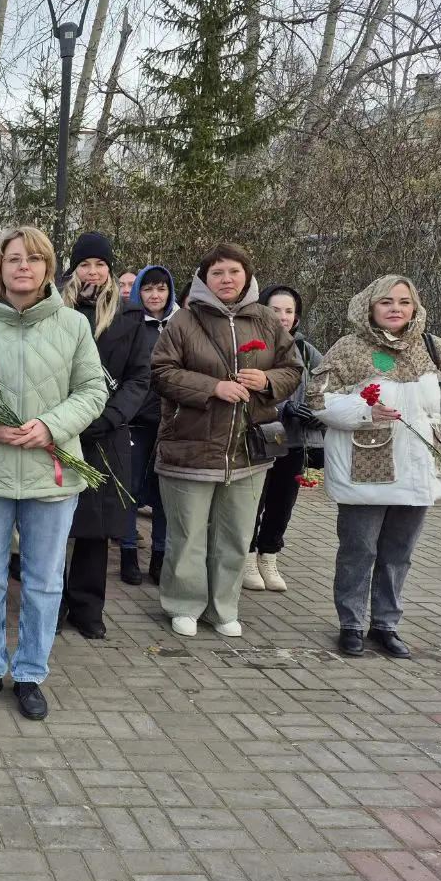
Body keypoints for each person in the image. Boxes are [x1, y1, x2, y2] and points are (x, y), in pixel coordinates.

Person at [0, 225, 107, 720]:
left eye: (33, 258)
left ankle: (30, 672)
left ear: (48, 267)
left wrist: (51, 426)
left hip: (50, 473)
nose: (23, 267)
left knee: (44, 580)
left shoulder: (72, 325)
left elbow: (92, 390)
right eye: (13, 258)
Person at [151, 244, 301, 638]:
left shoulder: (267, 320)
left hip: (248, 449)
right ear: (204, 279)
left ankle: (223, 607)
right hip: (190, 445)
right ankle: (183, 603)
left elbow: (292, 369)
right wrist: (212, 387)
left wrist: (267, 380)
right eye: (217, 273)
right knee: (188, 534)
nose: (226, 279)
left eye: (234, 271)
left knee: (235, 533)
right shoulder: (184, 320)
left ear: (247, 276)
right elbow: (162, 373)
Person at [307, 275, 441, 659]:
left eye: (404, 302)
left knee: (398, 553)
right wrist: (363, 410)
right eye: (386, 301)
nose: (395, 309)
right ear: (370, 306)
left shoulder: (434, 348)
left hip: (419, 468)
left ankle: (386, 625)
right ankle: (351, 624)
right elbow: (318, 400)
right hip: (366, 467)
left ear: (415, 307)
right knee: (359, 551)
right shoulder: (348, 348)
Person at [58, 233, 153, 639]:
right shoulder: (54, 309)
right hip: (59, 429)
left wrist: (111, 416)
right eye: (85, 264)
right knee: (52, 523)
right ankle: (53, 602)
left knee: (95, 527)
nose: (93, 271)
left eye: (100, 264)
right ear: (74, 269)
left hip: (105, 432)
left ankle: (87, 606)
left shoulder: (129, 316)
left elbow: (139, 377)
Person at [243, 285, 324, 593]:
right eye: (275, 310)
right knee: (255, 499)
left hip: (293, 438)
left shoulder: (304, 348)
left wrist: (319, 410)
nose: (283, 316)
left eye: (289, 311)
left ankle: (269, 555)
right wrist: (283, 406)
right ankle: (247, 556)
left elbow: (327, 381)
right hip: (260, 435)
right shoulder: (251, 345)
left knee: (283, 501)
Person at [120, 264, 179, 585]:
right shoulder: (129, 323)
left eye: (161, 289)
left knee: (162, 493)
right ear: (138, 291)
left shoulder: (180, 323)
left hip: (171, 423)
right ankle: (128, 552)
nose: (155, 295)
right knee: (128, 489)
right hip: (135, 422)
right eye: (148, 289)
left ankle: (159, 555)